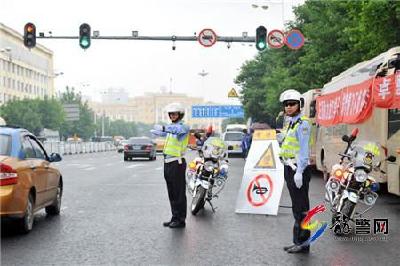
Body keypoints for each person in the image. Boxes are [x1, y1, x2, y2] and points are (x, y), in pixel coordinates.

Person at [278, 89, 312, 254]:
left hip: (298, 170)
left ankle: (304, 243)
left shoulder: (303, 124)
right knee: (296, 207)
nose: (289, 107)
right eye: (286, 105)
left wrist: (300, 171)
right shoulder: (291, 123)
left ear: (300, 104)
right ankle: (298, 240)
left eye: (292, 104)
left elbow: (304, 151)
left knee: (302, 207)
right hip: (289, 168)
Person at [150, 103, 190, 229]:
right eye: (171, 114)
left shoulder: (183, 127)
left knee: (178, 193)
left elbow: (176, 130)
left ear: (180, 115)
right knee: (172, 192)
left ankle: (180, 219)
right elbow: (165, 133)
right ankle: (174, 217)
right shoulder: (170, 128)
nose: (172, 116)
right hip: (168, 162)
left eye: (175, 114)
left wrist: (163, 128)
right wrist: (157, 132)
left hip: (177, 163)